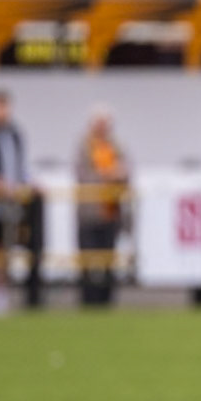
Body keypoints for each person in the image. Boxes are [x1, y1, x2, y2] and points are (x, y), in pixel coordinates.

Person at [0, 89, 46, 313]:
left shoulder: (15, 134)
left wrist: (31, 182)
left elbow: (20, 168)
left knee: (4, 249)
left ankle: (0, 296)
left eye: (5, 106)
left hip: (8, 201)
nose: (1, 111)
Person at [74, 106, 131, 308]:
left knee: (109, 260)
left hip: (111, 212)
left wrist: (118, 174)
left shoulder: (115, 146)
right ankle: (88, 301)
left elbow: (126, 170)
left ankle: (107, 302)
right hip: (89, 213)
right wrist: (106, 175)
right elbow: (82, 175)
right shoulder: (84, 146)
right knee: (88, 259)